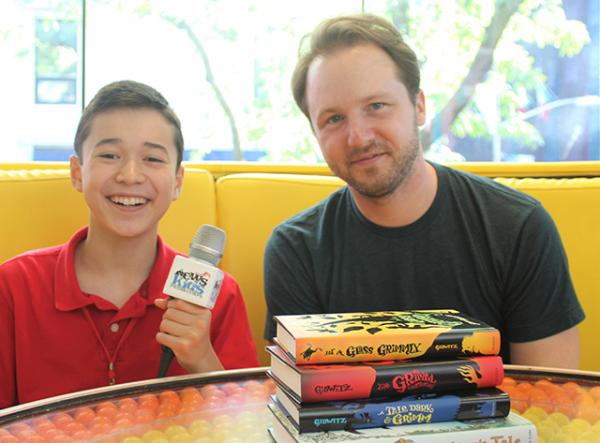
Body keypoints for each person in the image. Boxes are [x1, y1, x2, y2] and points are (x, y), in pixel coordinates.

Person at [263, 14, 584, 368]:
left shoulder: (517, 227)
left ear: (419, 106)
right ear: (315, 134)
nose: (358, 137)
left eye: (376, 106)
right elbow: (299, 406)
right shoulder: (296, 249)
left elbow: (551, 403)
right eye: (333, 119)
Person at [0, 80, 258, 409]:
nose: (130, 175)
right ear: (77, 173)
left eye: (152, 158)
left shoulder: (218, 296)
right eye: (110, 155)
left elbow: (247, 424)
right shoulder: (14, 287)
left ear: (177, 182)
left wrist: (202, 360)